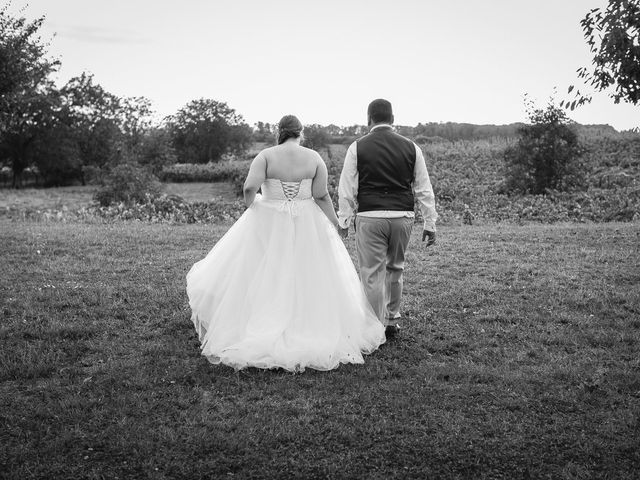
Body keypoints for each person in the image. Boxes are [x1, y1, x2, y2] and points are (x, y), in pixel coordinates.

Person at [186, 115, 385, 372]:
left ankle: (261, 319)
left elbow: (249, 188)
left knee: (265, 269)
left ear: (279, 132)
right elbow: (321, 194)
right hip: (308, 221)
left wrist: (253, 205)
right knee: (308, 271)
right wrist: (337, 223)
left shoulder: (266, 156)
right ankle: (310, 324)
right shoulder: (313, 158)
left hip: (269, 219)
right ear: (300, 133)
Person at [337, 99, 437, 339]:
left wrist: (344, 221)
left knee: (371, 272)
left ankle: (373, 326)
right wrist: (429, 222)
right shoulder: (412, 147)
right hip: (402, 215)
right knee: (396, 268)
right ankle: (391, 320)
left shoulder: (357, 147)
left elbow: (347, 188)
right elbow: (424, 188)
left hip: (369, 215)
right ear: (393, 119)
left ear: (368, 119)